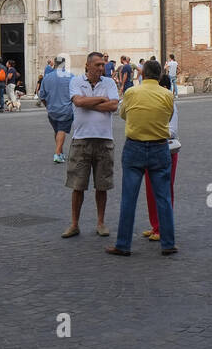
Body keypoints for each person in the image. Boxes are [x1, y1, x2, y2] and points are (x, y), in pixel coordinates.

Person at [106, 59, 177, 257]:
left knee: (129, 198)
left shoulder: (131, 93)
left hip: (134, 147)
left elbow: (122, 115)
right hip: (160, 148)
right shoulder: (167, 95)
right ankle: (168, 243)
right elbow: (168, 117)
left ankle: (123, 244)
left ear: (142, 74)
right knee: (163, 198)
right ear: (160, 76)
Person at [66, 52, 119, 239]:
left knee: (102, 185)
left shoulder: (110, 83)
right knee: (77, 185)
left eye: (102, 65)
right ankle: (74, 224)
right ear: (87, 65)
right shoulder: (75, 81)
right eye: (97, 65)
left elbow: (114, 106)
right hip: (81, 139)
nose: (101, 68)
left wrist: (89, 104)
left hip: (104, 139)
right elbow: (78, 102)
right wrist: (101, 99)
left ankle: (101, 222)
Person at [142, 72, 181, 243]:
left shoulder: (170, 103)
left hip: (166, 150)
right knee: (150, 191)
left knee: (164, 190)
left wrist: (151, 129)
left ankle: (163, 227)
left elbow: (172, 131)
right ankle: (155, 225)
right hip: (149, 148)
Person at [39, 53, 75, 163]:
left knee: (57, 130)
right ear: (64, 64)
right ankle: (57, 153)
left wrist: (47, 106)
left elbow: (42, 96)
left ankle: (60, 151)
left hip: (52, 110)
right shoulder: (71, 77)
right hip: (65, 109)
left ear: (54, 64)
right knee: (61, 130)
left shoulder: (47, 78)